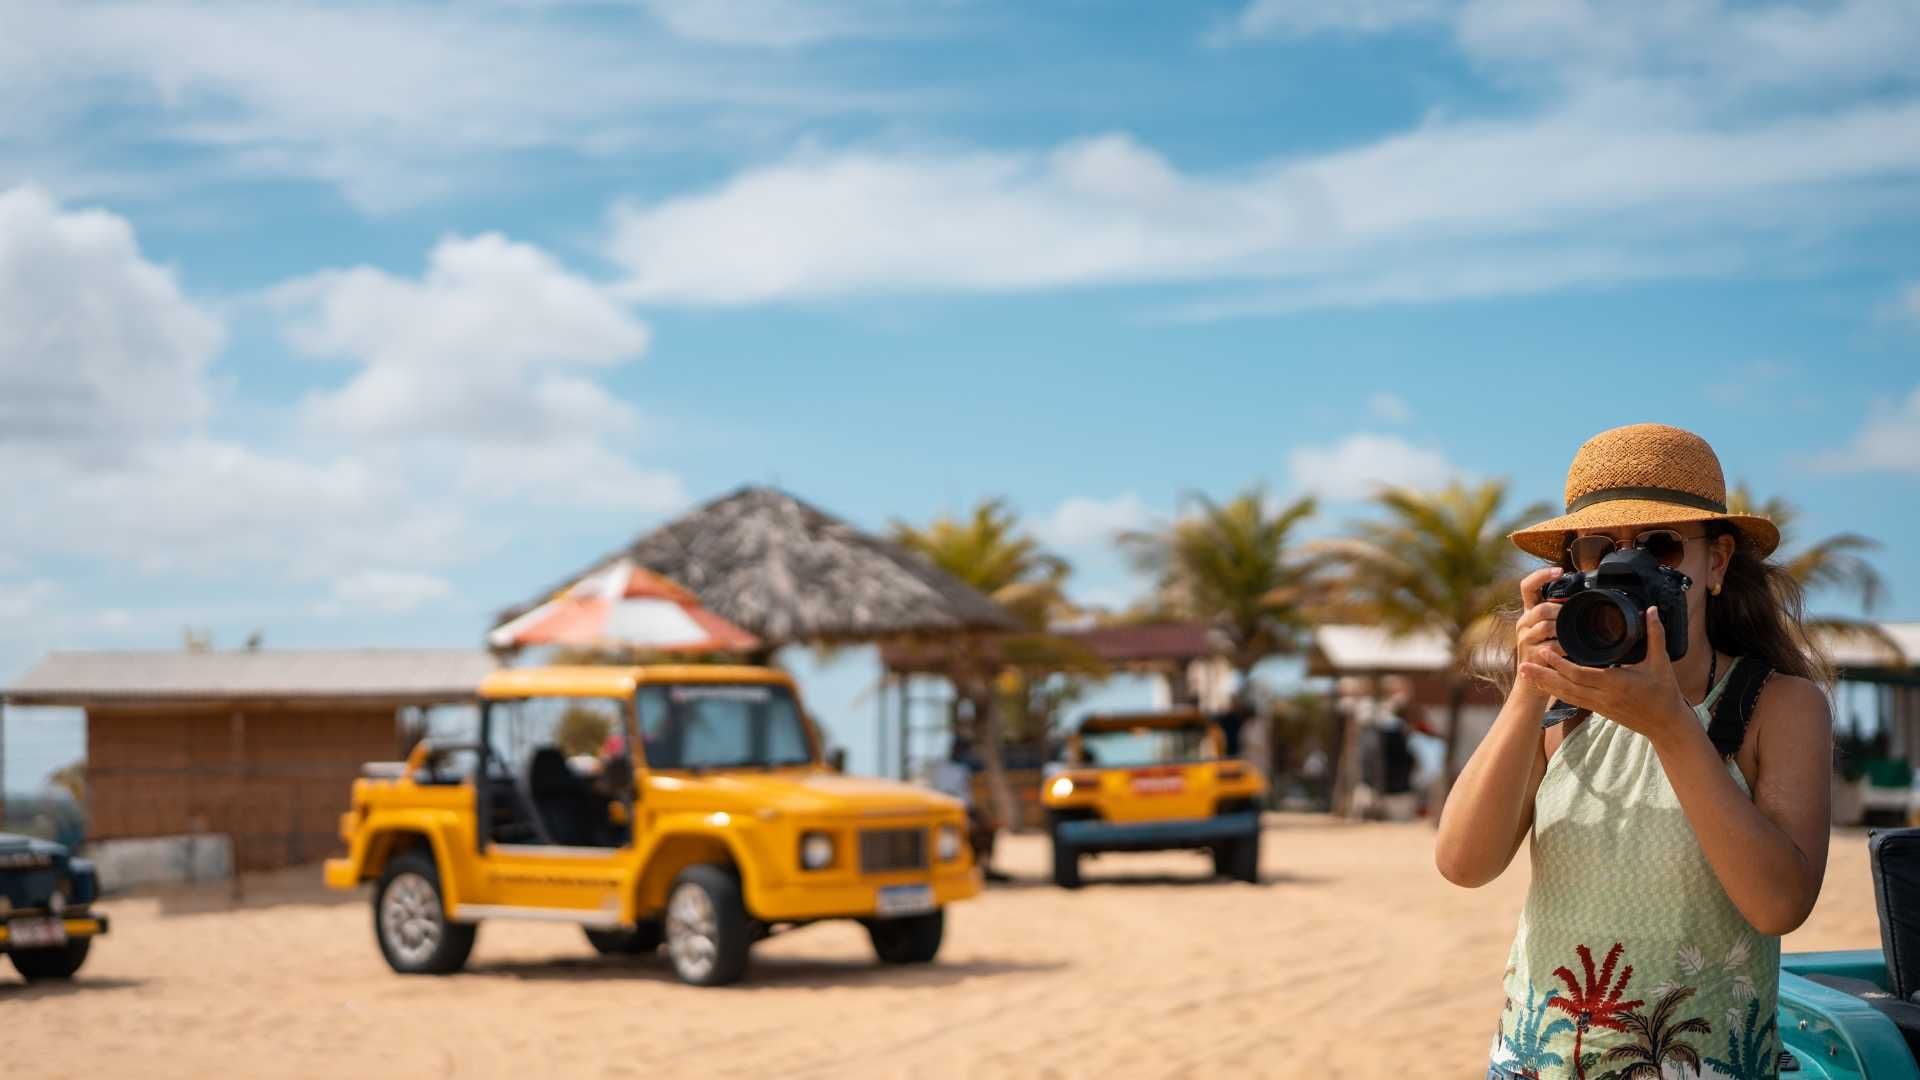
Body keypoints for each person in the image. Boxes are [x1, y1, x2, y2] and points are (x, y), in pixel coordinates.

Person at [1437, 424, 1832, 1080]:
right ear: (1572, 569)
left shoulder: (1777, 706)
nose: (1629, 570)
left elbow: (1778, 905)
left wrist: (1672, 728)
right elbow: (1463, 864)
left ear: (1717, 563)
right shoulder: (1558, 708)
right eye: (1599, 548)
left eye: (1659, 546)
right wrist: (1529, 687)